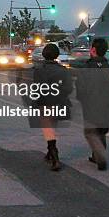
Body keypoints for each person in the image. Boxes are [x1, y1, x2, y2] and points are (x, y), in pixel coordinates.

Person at [76, 38, 109, 171]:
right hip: (108, 106)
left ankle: (100, 157)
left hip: (91, 106)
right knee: (101, 131)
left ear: (93, 50)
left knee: (90, 131)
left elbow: (80, 88)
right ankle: (96, 155)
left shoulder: (87, 67)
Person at [32, 43, 73, 171]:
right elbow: (69, 88)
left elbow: (37, 88)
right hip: (60, 102)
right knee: (51, 128)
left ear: (44, 54)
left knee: (48, 129)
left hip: (45, 102)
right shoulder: (64, 70)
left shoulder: (39, 70)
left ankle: (55, 156)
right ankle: (50, 153)